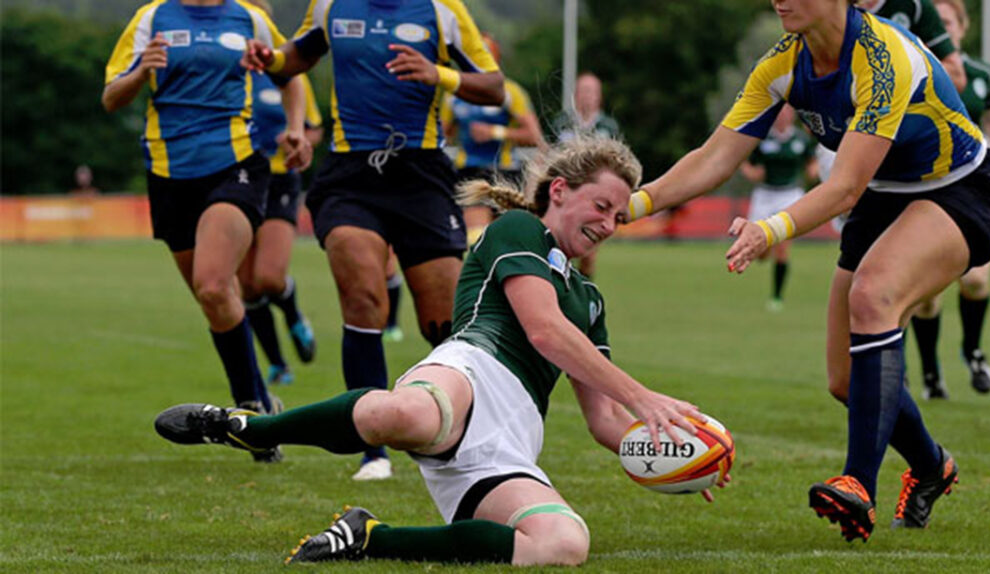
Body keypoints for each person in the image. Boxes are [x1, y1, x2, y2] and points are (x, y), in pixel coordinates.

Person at [154, 135, 722, 566]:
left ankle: (368, 538)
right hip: (468, 372)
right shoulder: (519, 230)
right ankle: (247, 428)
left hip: (513, 435)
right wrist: (644, 396)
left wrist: (677, 453)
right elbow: (544, 330)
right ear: (560, 191)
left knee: (562, 543)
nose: (609, 223)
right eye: (601, 206)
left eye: (619, 217)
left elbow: (604, 420)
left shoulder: (591, 301)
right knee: (399, 413)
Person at [627, 0, 990, 541]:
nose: (778, 0)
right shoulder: (782, 64)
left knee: (873, 295)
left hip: (964, 189)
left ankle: (858, 484)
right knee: (845, 380)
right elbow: (716, 157)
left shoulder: (884, 59)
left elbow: (845, 187)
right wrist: (634, 204)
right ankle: (932, 467)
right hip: (886, 196)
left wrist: (770, 229)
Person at [241, 0, 506, 480]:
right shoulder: (330, 7)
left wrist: (438, 75)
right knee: (362, 295)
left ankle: (469, 436)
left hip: (421, 173)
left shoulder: (442, 11)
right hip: (350, 174)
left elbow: (493, 87)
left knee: (444, 320)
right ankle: (374, 449)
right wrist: (269, 59)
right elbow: (294, 59)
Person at [103, 0, 312, 463]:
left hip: (235, 163)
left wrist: (297, 130)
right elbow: (111, 96)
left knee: (214, 285)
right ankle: (262, 406)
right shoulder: (151, 18)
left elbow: (291, 72)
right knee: (215, 299)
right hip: (168, 173)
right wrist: (141, 73)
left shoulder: (249, 17)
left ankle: (251, 409)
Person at [908, 0, 990, 399]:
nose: (944, 28)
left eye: (950, 21)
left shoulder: (978, 74)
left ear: (961, 27)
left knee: (975, 280)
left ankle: (972, 351)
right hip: (925, 183)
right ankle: (930, 374)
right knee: (927, 296)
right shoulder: (911, 68)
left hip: (973, 185)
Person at [240, 0, 325, 386]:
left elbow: (314, 127)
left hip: (279, 180)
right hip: (236, 176)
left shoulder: (288, 72)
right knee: (246, 286)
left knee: (269, 279)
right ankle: (277, 362)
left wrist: (297, 138)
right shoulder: (230, 71)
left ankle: (292, 313)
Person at [813, 0, 967, 186]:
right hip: (845, 135)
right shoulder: (823, 7)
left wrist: (902, 69)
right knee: (840, 195)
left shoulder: (914, 6)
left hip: (904, 138)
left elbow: (957, 77)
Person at [442, 33, 544, 247]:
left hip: (505, 171)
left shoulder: (511, 92)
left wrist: (495, 132)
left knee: (508, 243)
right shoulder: (454, 94)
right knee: (478, 240)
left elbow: (534, 136)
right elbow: (441, 135)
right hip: (469, 171)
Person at [737, 105, 818, 312]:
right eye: (779, 114)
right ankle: (768, 246)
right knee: (760, 253)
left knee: (783, 248)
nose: (783, 117)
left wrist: (819, 171)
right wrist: (750, 172)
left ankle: (776, 297)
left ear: (792, 116)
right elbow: (747, 163)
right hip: (764, 195)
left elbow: (812, 166)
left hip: (789, 195)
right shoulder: (763, 139)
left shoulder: (800, 139)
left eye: (787, 113)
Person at [554, 72, 621, 278]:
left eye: (591, 91)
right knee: (561, 251)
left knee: (588, 254)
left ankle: (584, 298)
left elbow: (617, 162)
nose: (586, 96)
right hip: (567, 196)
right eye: (583, 91)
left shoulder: (608, 127)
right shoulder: (562, 122)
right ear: (575, 94)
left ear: (599, 96)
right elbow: (549, 156)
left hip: (596, 198)